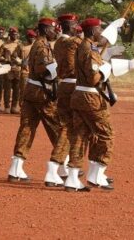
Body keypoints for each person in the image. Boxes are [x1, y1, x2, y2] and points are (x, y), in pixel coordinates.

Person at [64, 17, 118, 192]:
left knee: (80, 136)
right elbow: (94, 78)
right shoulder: (88, 49)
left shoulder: (86, 47)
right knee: (106, 134)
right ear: (92, 31)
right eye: (99, 29)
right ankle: (97, 173)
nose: (101, 32)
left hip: (80, 96)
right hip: (90, 98)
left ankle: (72, 178)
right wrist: (106, 70)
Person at [7, 18, 61, 183]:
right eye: (53, 29)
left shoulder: (40, 44)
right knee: (58, 128)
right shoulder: (42, 46)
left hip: (32, 92)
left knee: (27, 129)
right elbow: (42, 71)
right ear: (45, 30)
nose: (55, 32)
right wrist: (60, 68)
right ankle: (64, 167)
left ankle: (16, 168)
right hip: (41, 94)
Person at [46, 13, 81, 185]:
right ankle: (56, 166)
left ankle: (63, 167)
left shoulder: (59, 42)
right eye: (75, 24)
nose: (77, 27)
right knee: (70, 129)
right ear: (70, 25)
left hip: (65, 85)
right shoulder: (70, 42)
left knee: (69, 129)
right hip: (72, 86)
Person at [0, 27, 21, 114]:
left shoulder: (20, 45)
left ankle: (14, 107)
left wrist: (20, 61)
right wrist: (6, 60)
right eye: (13, 34)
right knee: (7, 89)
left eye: (16, 34)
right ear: (10, 35)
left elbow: (23, 57)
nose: (14, 35)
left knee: (17, 90)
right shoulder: (4, 45)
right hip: (8, 69)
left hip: (18, 70)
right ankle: (7, 106)